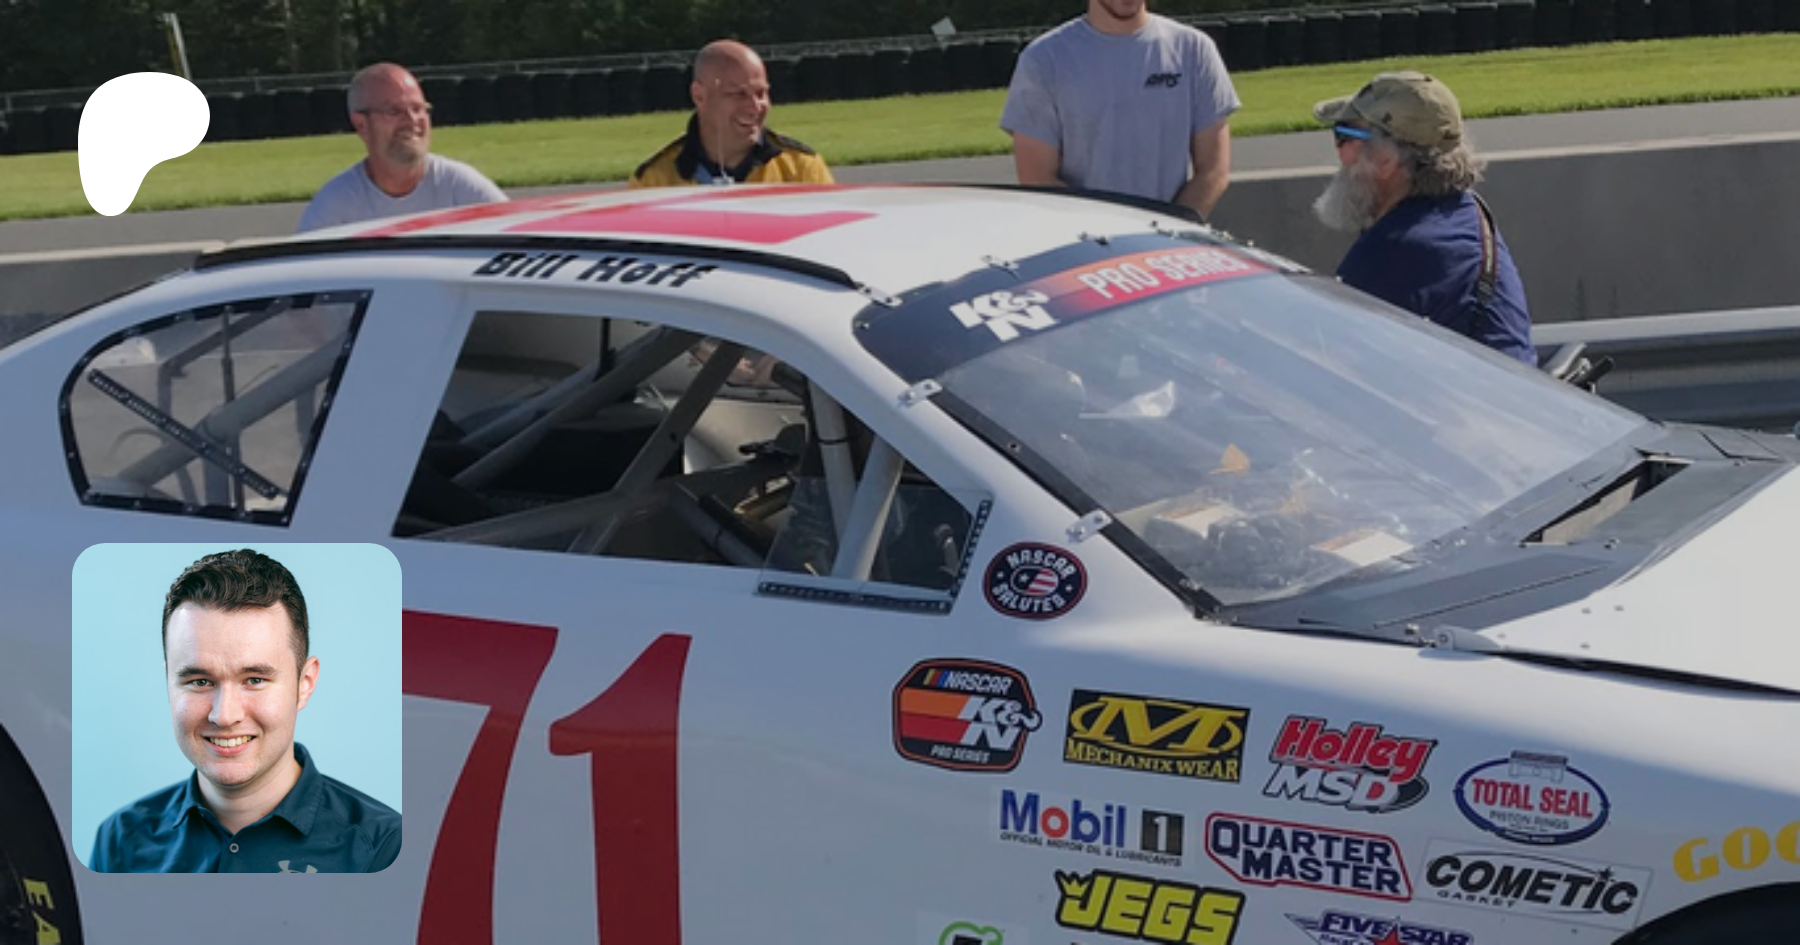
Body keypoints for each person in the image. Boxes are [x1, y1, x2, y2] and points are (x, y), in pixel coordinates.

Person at [88, 549, 401, 872]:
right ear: (169, 684)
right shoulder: (120, 843)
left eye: (254, 680)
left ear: (304, 684)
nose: (224, 716)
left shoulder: (384, 850)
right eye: (200, 681)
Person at [1313, 71, 1534, 364]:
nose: (1339, 155)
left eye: (1343, 136)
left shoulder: (1393, 250)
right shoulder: (1467, 210)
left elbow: (1332, 363)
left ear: (1386, 159)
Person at [1000, 0, 1239, 220]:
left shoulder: (1194, 50)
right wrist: (1108, 238)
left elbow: (1213, 170)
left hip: (1168, 243)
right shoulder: (1044, 59)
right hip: (1083, 243)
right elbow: (1037, 178)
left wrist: (1168, 229)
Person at [297, 62, 506, 232]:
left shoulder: (460, 189)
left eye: (418, 108)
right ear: (361, 124)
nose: (412, 120)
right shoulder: (335, 206)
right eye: (394, 111)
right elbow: (306, 267)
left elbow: (514, 242)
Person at [630, 40, 833, 187]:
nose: (755, 106)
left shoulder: (802, 169)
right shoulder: (653, 181)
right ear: (699, 95)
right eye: (738, 94)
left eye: (761, 93)